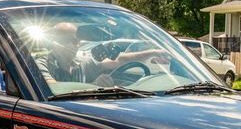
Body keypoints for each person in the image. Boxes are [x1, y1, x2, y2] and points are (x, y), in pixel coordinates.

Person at [35, 22, 167, 86]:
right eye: (67, 41)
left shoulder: (82, 61)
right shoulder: (41, 64)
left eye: (76, 41)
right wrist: (93, 87)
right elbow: (54, 89)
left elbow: (117, 62)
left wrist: (153, 52)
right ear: (53, 42)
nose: (73, 45)